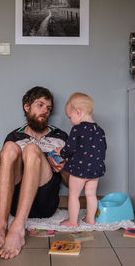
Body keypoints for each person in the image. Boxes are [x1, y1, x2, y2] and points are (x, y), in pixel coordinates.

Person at [0, 86, 69, 259]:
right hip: (16, 204)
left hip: (46, 203)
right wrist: (3, 163)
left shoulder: (61, 136)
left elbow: (70, 182)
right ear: (27, 107)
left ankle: (17, 229)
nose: (45, 111)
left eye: (48, 108)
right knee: (9, 148)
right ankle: (0, 229)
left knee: (31, 149)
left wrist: (64, 166)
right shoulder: (14, 137)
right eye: (40, 105)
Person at [55, 92, 107, 227]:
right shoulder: (99, 130)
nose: (70, 120)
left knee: (73, 195)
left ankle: (72, 221)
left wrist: (61, 152)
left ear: (78, 112)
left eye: (70, 116)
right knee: (91, 195)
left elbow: (70, 148)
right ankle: (90, 219)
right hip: (95, 170)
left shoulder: (77, 129)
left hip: (79, 169)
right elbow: (103, 149)